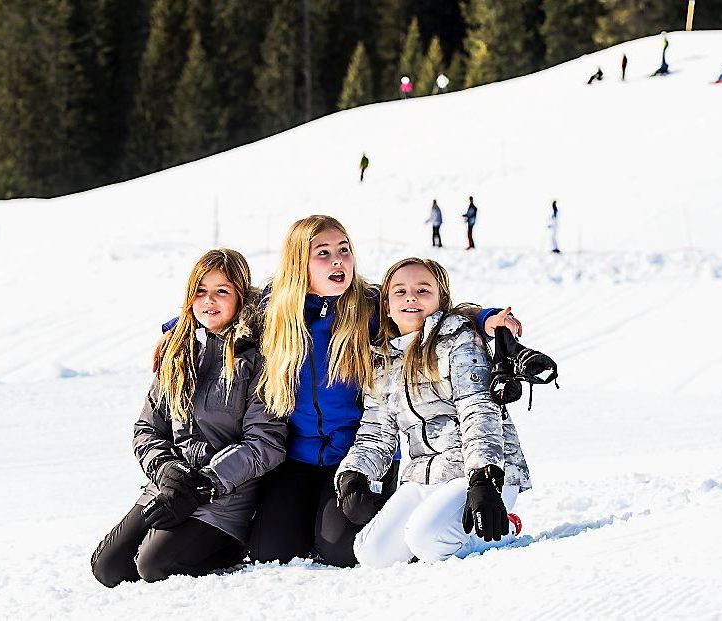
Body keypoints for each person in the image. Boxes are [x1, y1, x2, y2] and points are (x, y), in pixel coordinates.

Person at [246, 215, 521, 567]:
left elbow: (433, 309)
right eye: (324, 253)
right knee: (270, 552)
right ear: (299, 261)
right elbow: (222, 314)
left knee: (343, 554)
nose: (338, 261)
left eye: (344, 250)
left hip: (355, 451)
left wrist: (486, 318)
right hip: (299, 458)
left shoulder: (369, 305)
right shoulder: (274, 309)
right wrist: (177, 331)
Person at [90, 249, 287, 587]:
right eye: (201, 290)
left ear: (240, 297)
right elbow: (147, 429)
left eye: (222, 291)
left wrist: (204, 485)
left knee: (154, 566)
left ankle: (231, 551)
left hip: (225, 494)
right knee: (108, 568)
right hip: (170, 486)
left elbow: (265, 444)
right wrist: (166, 471)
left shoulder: (260, 358)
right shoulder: (178, 351)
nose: (209, 300)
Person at [336, 258, 533, 567]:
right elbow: (376, 432)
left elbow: (478, 410)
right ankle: (443, 528)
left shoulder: (461, 340)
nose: (411, 297)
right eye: (400, 291)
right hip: (423, 476)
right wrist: (354, 475)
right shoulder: (382, 362)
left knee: (426, 541)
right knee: (371, 553)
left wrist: (484, 479)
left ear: (441, 300)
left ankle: (503, 525)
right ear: (386, 306)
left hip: (481, 476)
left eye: (422, 290)